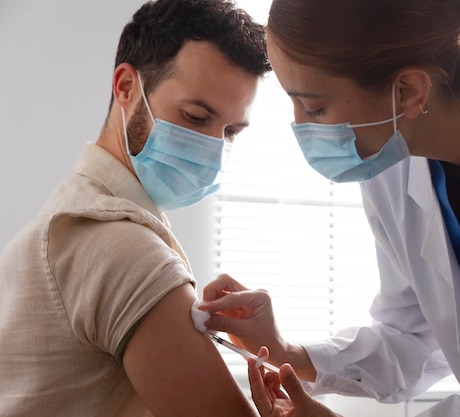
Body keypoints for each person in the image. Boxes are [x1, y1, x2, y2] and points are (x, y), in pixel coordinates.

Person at [198, 0, 460, 415]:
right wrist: (289, 352)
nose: (300, 126)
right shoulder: (392, 151)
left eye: (314, 107)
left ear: (407, 91)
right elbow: (412, 337)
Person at [0, 0, 270, 416]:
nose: (214, 151)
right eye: (196, 116)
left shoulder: (60, 219)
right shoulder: (123, 248)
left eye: (231, 132)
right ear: (126, 87)